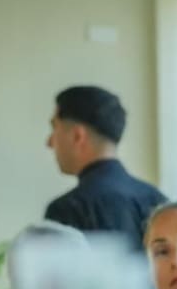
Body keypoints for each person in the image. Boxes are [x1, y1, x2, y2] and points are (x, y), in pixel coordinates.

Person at [45, 85, 167, 251]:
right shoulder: (157, 201)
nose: (49, 142)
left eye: (54, 128)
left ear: (78, 136)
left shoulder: (67, 210)